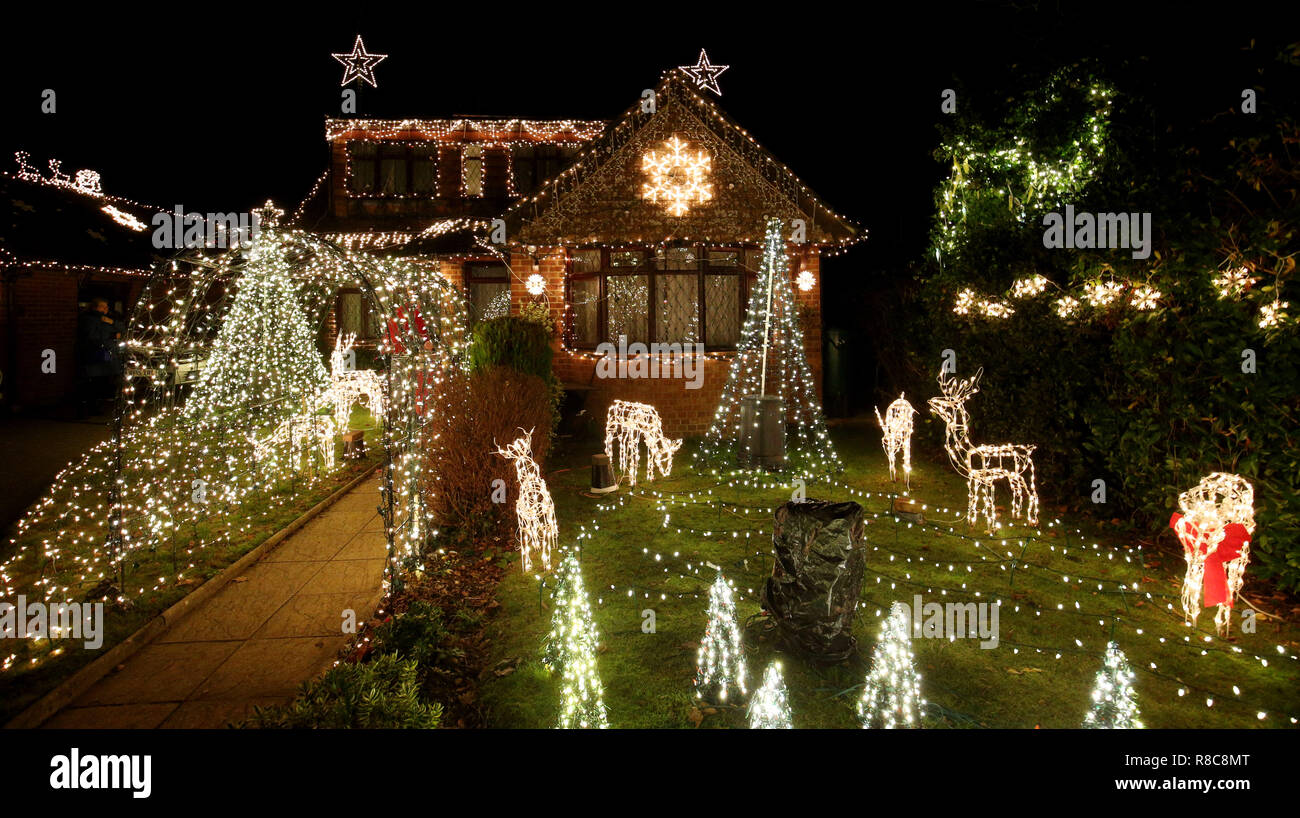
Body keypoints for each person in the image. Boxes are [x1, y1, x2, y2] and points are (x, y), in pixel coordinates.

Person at [75, 297, 122, 418]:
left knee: (100, 380)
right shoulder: (89, 320)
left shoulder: (108, 319)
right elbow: (92, 336)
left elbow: (121, 328)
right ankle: (87, 407)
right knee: (91, 380)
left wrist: (112, 324)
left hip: (105, 352)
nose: (105, 309)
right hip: (94, 352)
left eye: (106, 307)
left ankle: (94, 406)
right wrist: (111, 335)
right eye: (102, 306)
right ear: (95, 307)